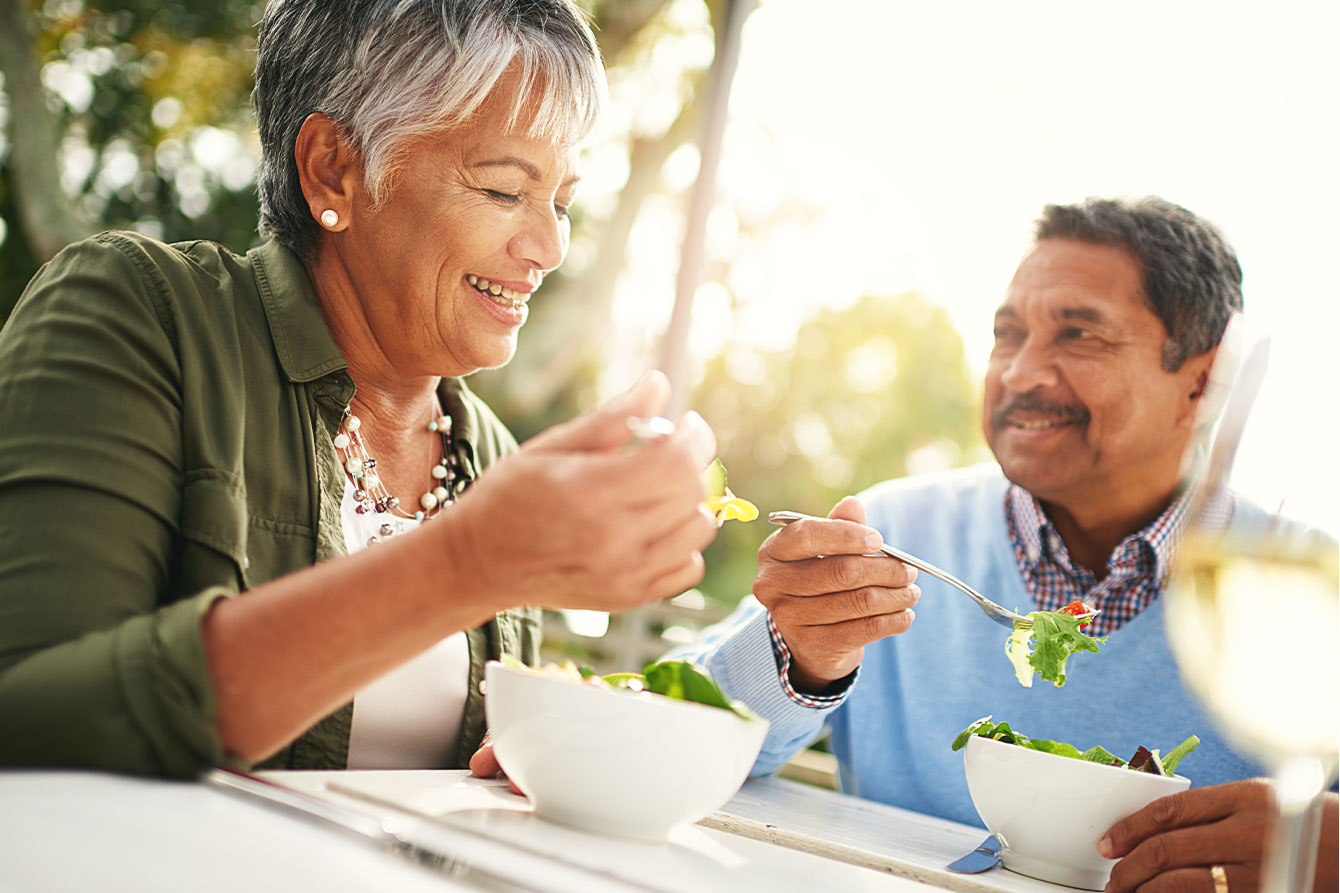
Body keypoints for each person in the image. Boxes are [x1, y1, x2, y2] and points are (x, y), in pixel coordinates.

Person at [0, 0, 719, 778]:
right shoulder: (142, 316)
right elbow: (30, 711)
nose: (547, 246)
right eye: (505, 191)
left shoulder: (493, 457)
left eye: (563, 202)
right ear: (331, 168)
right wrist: (465, 562)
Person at [677, 197, 1337, 892]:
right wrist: (802, 660)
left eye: (1079, 335)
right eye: (1007, 333)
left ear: (1202, 381)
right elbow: (666, 720)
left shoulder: (1300, 587)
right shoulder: (892, 536)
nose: (1021, 373)